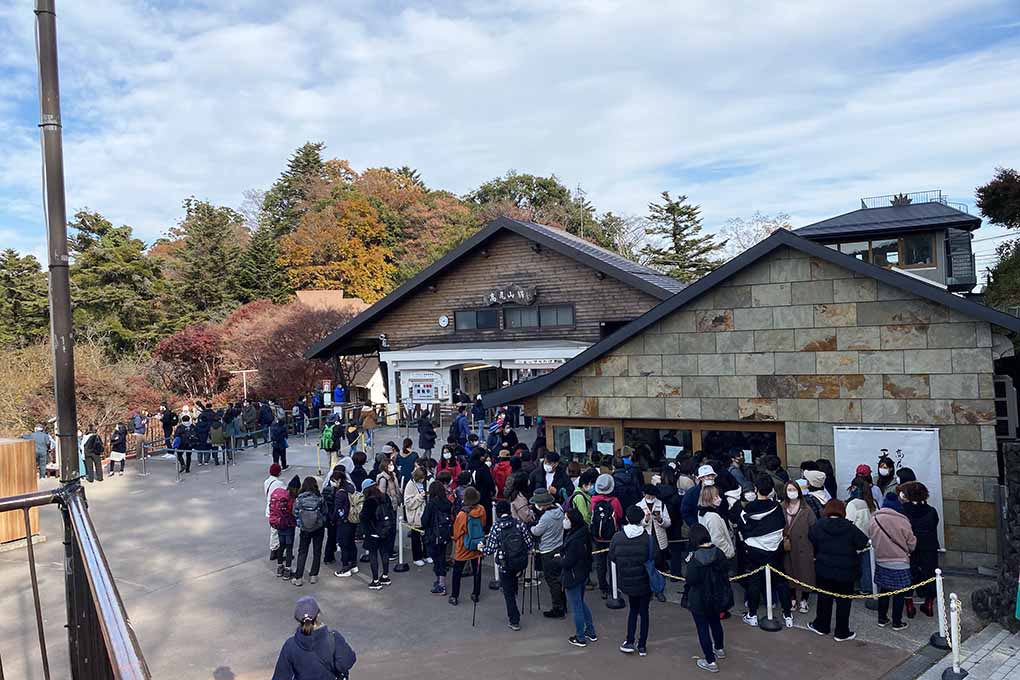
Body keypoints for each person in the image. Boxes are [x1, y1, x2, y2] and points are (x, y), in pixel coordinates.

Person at [807, 499, 869, 642]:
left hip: (824, 569)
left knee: (824, 599)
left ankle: (821, 626)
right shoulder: (850, 527)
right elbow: (862, 542)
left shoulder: (819, 525)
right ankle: (841, 632)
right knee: (844, 602)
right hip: (846, 571)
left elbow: (812, 538)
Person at [738, 474, 792, 628]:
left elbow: (742, 529)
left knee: (754, 582)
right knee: (781, 581)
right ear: (771, 490)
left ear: (756, 489)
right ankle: (788, 615)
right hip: (775, 550)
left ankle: (752, 615)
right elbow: (782, 525)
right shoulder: (776, 507)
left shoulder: (748, 508)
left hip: (755, 551)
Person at [683, 524, 733, 673]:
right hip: (716, 595)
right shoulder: (719, 553)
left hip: (699, 598)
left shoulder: (695, 558)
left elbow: (690, 580)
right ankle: (719, 648)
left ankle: (710, 661)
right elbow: (725, 571)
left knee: (702, 628)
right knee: (716, 622)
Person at [271, 596, 356, 680]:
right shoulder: (334, 638)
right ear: (318, 614)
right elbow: (346, 663)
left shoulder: (290, 645)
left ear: (297, 619)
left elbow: (280, 677)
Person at [482, 499, 533, 630]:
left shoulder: (496, 527)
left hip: (504, 563)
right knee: (513, 583)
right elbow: (529, 543)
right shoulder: (518, 524)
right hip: (520, 562)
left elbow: (490, 549)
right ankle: (515, 593)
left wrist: (481, 548)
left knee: (508, 593)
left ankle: (514, 620)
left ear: (498, 513)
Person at [610, 505, 654, 656]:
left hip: (627, 580)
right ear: (642, 519)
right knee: (644, 611)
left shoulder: (618, 537)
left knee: (633, 610)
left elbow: (612, 557)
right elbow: (655, 558)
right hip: (645, 581)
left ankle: (629, 640)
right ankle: (642, 645)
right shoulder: (647, 539)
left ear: (627, 518)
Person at [869, 492, 917, 630]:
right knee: (899, 594)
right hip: (900, 562)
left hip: (881, 560)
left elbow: (871, 536)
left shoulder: (874, 519)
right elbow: (911, 542)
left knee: (884, 591)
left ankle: (882, 618)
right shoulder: (903, 520)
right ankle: (897, 622)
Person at [900, 481, 940, 618]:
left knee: (910, 574)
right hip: (929, 546)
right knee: (930, 574)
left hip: (911, 547)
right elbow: (934, 524)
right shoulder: (931, 511)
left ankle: (909, 605)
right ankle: (928, 604)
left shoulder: (903, 510)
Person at [561, 507, 597, 647]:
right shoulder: (583, 533)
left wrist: (559, 559)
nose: (564, 521)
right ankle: (590, 631)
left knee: (576, 606)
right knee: (581, 603)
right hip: (582, 573)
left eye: (566, 519)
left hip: (573, 575)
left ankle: (580, 636)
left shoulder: (574, 539)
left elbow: (568, 562)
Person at [529, 488, 567, 617]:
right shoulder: (559, 510)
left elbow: (536, 532)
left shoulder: (545, 518)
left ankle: (558, 607)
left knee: (552, 580)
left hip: (547, 550)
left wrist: (531, 527)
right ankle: (563, 603)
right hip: (559, 546)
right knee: (558, 578)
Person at [782, 480, 816, 614]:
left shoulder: (806, 509)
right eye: (789, 490)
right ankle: (792, 599)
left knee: (805, 572)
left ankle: (804, 600)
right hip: (788, 545)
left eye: (794, 489)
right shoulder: (782, 507)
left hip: (804, 545)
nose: (792, 492)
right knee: (789, 571)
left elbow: (813, 527)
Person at [450, 486, 486, 606]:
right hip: (477, 545)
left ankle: (454, 595)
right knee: (477, 570)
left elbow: (456, 533)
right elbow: (484, 524)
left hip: (463, 546)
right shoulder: (481, 509)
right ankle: (476, 593)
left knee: (457, 572)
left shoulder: (462, 514)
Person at [591, 474, 623, 599]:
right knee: (613, 563)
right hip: (612, 536)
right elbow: (619, 515)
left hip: (597, 537)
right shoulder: (614, 501)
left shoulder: (594, 500)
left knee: (600, 563)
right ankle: (613, 587)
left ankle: (602, 587)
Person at [846, 470, 879, 594]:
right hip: (870, 539)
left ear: (854, 487)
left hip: (856, 541)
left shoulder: (853, 504)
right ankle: (868, 588)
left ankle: (857, 587)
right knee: (868, 566)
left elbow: (848, 522)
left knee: (856, 566)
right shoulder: (873, 502)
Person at [636, 484, 671, 601]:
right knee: (646, 565)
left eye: (652, 496)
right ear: (644, 494)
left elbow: (668, 523)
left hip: (658, 539)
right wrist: (645, 519)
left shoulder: (661, 504)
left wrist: (660, 519)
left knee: (659, 565)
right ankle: (648, 590)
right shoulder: (639, 506)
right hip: (644, 539)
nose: (651, 497)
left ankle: (659, 589)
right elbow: (637, 524)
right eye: (648, 495)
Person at [360, 480, 395, 590]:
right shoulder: (385, 497)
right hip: (385, 530)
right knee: (384, 553)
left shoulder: (369, 502)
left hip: (372, 532)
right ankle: (385, 576)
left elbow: (365, 517)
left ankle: (375, 581)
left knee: (373, 555)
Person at [292, 477, 327, 587]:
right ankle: (313, 576)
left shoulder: (299, 499)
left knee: (302, 552)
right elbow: (325, 511)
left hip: (305, 529)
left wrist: (300, 524)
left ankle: (298, 577)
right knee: (317, 551)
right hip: (318, 528)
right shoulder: (320, 498)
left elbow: (295, 513)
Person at [421, 480, 454, 595]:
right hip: (445, 534)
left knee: (437, 560)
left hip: (433, 535)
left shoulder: (431, 504)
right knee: (442, 558)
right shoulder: (447, 503)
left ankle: (441, 584)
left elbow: (424, 521)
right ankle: (441, 581)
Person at [332, 468, 360, 578]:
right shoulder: (350, 487)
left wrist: (332, 519)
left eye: (334, 480)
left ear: (338, 480)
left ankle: (345, 567)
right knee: (351, 542)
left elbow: (337, 509)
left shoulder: (340, 493)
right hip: (353, 519)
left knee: (344, 544)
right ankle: (353, 564)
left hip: (344, 521)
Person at [270, 475, 301, 578]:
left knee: (281, 546)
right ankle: (287, 571)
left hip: (279, 525)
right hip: (289, 526)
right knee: (289, 548)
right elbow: (294, 513)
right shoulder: (292, 499)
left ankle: (279, 568)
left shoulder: (282, 494)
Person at [698, 485, 736, 564]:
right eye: (716, 496)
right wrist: (729, 552)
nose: (719, 499)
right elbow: (718, 539)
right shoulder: (713, 516)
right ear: (709, 499)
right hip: (722, 556)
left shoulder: (701, 512)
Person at [403, 468, 428, 567]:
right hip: (415, 516)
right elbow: (408, 503)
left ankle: (426, 554)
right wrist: (420, 497)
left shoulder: (424, 483)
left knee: (426, 536)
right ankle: (416, 557)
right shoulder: (410, 485)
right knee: (416, 537)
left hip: (424, 513)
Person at [265, 464, 286, 560]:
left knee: (273, 531)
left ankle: (273, 550)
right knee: (279, 532)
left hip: (269, 509)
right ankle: (278, 551)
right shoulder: (279, 483)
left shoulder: (267, 482)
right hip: (277, 511)